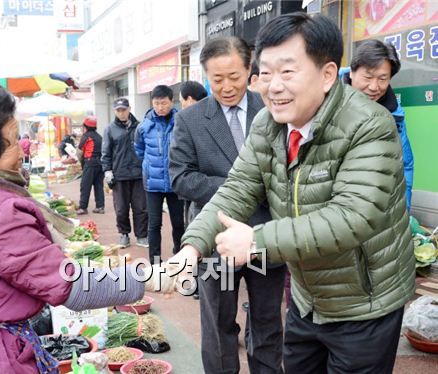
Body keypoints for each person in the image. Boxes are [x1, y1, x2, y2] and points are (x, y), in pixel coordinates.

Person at [171, 13, 415, 373]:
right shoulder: (268, 124)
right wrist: (191, 247)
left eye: (288, 72)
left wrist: (255, 241)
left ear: (327, 74)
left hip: (364, 304)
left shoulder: (368, 124)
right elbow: (236, 188)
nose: (273, 86)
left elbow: (352, 217)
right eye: (266, 74)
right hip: (306, 299)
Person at [0, 83, 144, 373]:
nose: (21, 151)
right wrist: (147, 277)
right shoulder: (0, 213)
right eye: (11, 142)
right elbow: (71, 285)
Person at [169, 36, 285, 374]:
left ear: (250, 69)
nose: (226, 86)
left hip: (265, 236)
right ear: (206, 76)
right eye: (217, 79)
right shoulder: (190, 120)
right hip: (214, 239)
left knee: (266, 322)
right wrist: (239, 188)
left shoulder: (273, 109)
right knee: (219, 326)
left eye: (234, 76)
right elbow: (181, 178)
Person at [340, 39, 414, 211]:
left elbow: (404, 165)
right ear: (352, 72)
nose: (374, 87)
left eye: (382, 79)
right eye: (368, 77)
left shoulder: (394, 115)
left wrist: (404, 211)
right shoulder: (325, 97)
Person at [135, 85, 185, 264]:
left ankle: (179, 256)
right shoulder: (144, 126)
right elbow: (139, 149)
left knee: (179, 223)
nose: (160, 107)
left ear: (172, 102)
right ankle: (155, 262)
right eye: (156, 103)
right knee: (154, 224)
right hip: (153, 183)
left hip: (175, 181)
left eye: (164, 103)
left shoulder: (181, 122)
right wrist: (149, 165)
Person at [101, 97, 149, 248]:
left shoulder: (140, 126)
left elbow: (147, 149)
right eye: (118, 110)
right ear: (115, 111)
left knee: (141, 207)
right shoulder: (110, 129)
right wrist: (107, 171)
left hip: (138, 174)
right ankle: (124, 234)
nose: (121, 113)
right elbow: (106, 152)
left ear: (129, 109)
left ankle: (142, 236)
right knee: (121, 208)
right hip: (119, 175)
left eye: (124, 110)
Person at [176, 80, 208, 300]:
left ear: (188, 99)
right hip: (192, 188)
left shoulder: (199, 119)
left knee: (198, 237)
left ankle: (196, 284)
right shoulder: (186, 120)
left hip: (203, 193)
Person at [76, 115, 105, 215]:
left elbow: (79, 151)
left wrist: (82, 164)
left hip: (90, 163)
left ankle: (83, 207)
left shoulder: (86, 136)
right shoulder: (99, 137)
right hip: (100, 164)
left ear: (86, 126)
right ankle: (100, 207)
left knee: (85, 185)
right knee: (98, 185)